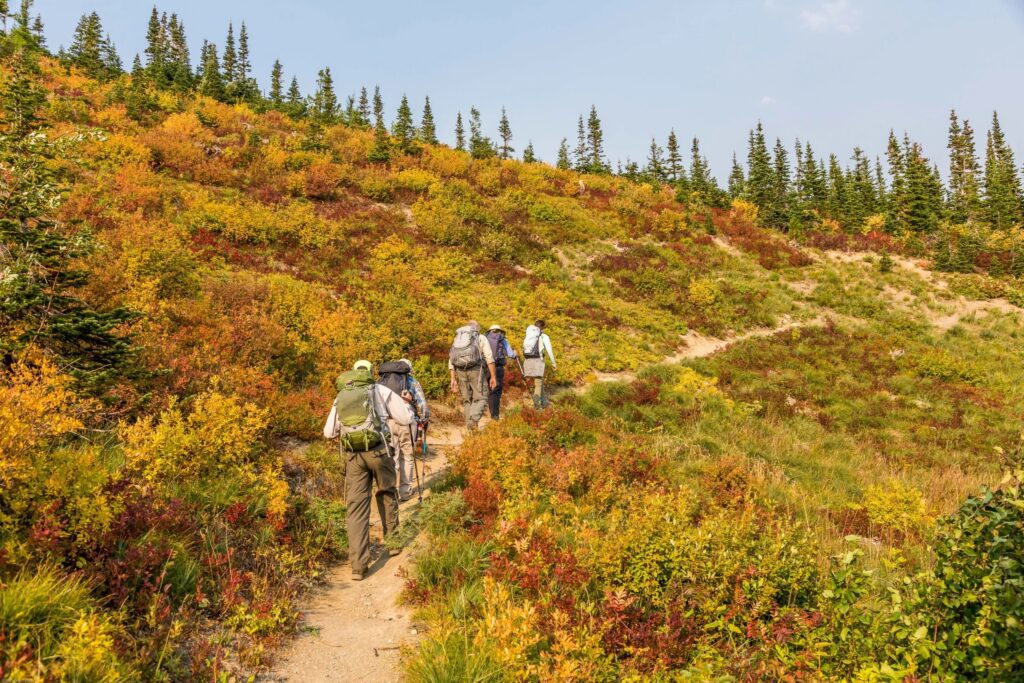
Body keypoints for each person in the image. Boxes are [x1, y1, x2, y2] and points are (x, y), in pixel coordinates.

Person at [323, 359, 415, 581]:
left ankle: (358, 565)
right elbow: (405, 418)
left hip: (354, 456)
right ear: (371, 372)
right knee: (386, 492)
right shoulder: (380, 390)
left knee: (356, 508)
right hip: (379, 451)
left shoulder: (341, 396)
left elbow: (328, 432)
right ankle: (392, 544)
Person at [377, 358, 429, 501]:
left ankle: (391, 492)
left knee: (392, 456)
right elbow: (423, 405)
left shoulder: (382, 381)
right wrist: (424, 420)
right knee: (406, 455)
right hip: (406, 422)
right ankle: (405, 491)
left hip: (387, 421)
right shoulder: (411, 381)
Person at [448, 320, 497, 431]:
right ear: (476, 328)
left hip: (460, 371)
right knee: (482, 397)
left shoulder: (458, 339)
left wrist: (453, 379)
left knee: (467, 400)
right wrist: (493, 377)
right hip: (476, 371)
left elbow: (451, 360)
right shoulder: (480, 337)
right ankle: (473, 421)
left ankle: (471, 430)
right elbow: (489, 358)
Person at [485, 324, 517, 420]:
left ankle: (485, 412)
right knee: (495, 391)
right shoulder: (502, 339)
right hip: (498, 367)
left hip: (485, 367)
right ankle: (494, 415)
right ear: (500, 330)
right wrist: (515, 353)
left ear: (490, 330)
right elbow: (511, 354)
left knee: (486, 390)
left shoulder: (484, 338)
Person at [522, 320, 556, 409]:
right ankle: (537, 405)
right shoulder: (544, 336)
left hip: (528, 360)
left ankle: (544, 402)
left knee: (540, 383)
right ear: (543, 328)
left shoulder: (529, 335)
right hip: (538, 361)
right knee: (538, 384)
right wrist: (553, 363)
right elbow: (549, 350)